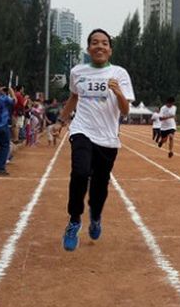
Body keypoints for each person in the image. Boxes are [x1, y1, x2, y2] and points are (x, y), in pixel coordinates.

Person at [56, 28, 134, 251]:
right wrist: (61, 121)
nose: (100, 46)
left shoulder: (119, 74)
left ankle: (96, 215)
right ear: (88, 48)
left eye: (105, 43)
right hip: (82, 130)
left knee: (100, 186)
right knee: (79, 173)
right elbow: (73, 97)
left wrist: (118, 93)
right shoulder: (78, 71)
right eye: (95, 43)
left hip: (108, 138)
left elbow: (125, 111)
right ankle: (74, 220)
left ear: (110, 50)